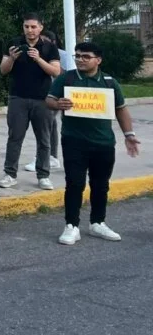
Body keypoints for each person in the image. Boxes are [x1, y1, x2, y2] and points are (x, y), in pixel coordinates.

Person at [47, 41, 141, 246]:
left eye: (85, 56)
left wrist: (129, 134)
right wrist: (57, 103)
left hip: (103, 142)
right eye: (77, 56)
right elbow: (49, 100)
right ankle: (71, 225)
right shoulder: (67, 78)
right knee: (74, 183)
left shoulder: (109, 82)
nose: (80, 60)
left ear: (98, 60)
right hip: (74, 141)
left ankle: (98, 222)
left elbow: (121, 108)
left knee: (100, 185)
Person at [0, 14, 61, 190]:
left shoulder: (49, 47)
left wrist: (38, 58)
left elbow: (56, 72)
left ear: (41, 27)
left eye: (33, 27)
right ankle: (10, 174)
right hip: (18, 97)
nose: (30, 30)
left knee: (44, 139)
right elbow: (3, 70)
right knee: (14, 137)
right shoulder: (14, 44)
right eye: (27, 26)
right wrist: (11, 58)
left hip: (43, 98)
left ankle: (43, 175)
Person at [26, 31, 72, 173]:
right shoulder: (33, 53)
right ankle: (51, 157)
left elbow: (70, 73)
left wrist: (46, 62)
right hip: (44, 93)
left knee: (47, 126)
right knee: (50, 125)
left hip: (58, 93)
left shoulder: (62, 55)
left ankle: (47, 158)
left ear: (52, 42)